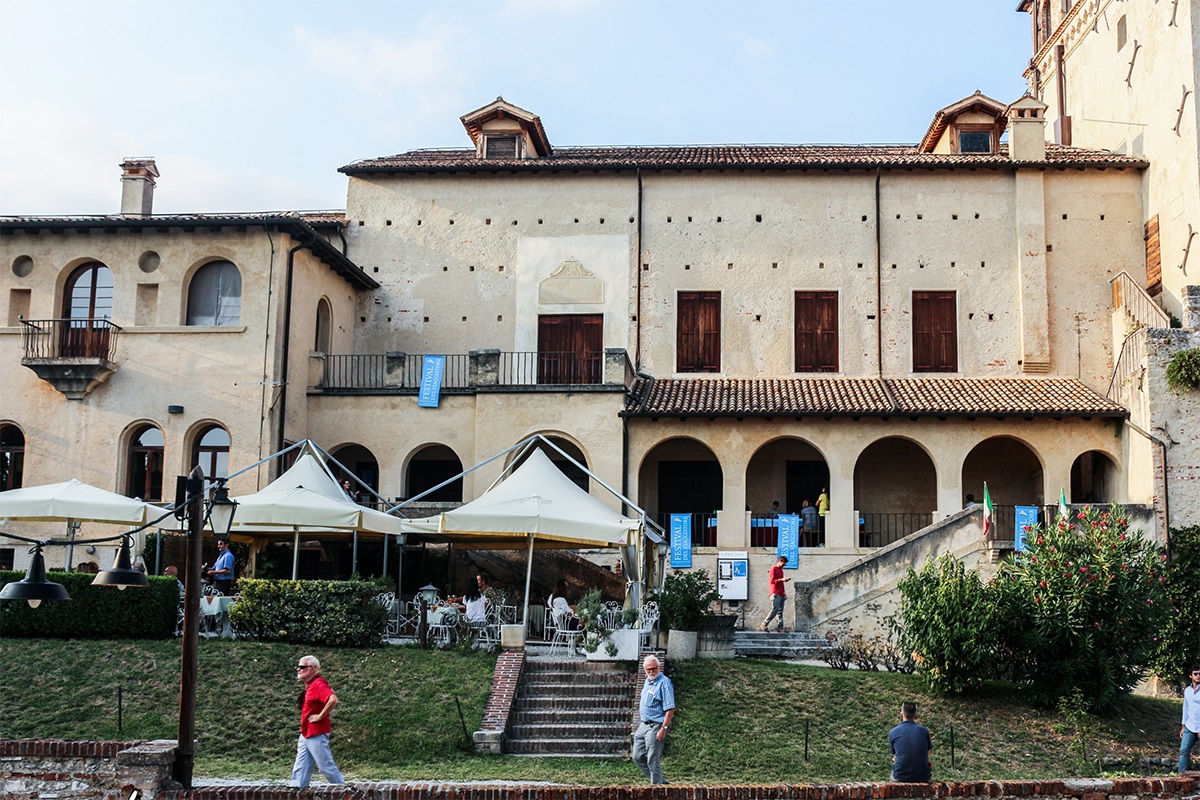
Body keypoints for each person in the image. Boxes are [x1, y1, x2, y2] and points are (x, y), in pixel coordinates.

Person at [291, 655, 345, 787]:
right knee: (301, 767)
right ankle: (296, 791)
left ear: (313, 669)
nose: (299, 669)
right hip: (306, 732)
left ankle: (345, 792)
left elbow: (333, 700)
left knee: (326, 766)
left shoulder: (318, 684)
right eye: (298, 666)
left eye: (302, 667)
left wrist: (320, 716)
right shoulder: (310, 685)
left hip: (316, 732)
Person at [632, 654, 675, 785]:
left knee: (652, 759)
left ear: (659, 667)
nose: (651, 671)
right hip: (643, 725)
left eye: (654, 668)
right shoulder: (647, 680)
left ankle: (656, 790)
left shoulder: (664, 683)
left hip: (656, 725)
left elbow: (670, 709)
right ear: (644, 670)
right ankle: (661, 783)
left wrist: (664, 728)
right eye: (648, 669)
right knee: (637, 756)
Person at [889, 701, 932, 783]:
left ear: (901, 714)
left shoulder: (893, 732)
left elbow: (896, 756)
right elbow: (927, 754)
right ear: (916, 716)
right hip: (923, 775)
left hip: (900, 775)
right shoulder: (924, 731)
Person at [760, 555, 788, 632]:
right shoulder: (773, 569)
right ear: (780, 561)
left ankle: (780, 628)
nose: (784, 566)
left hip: (781, 593)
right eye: (783, 564)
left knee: (780, 611)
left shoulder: (781, 570)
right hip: (775, 592)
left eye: (785, 564)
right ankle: (764, 624)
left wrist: (784, 592)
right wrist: (781, 579)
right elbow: (772, 581)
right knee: (775, 609)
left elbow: (781, 583)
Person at [1180, 666, 1200, 772]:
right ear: (1190, 676)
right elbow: (1185, 708)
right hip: (1190, 725)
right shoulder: (1187, 691)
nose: (1198, 676)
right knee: (1183, 751)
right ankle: (1180, 778)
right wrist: (1183, 726)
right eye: (1195, 674)